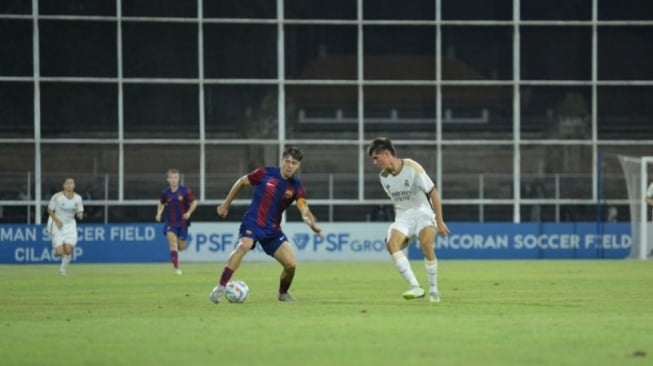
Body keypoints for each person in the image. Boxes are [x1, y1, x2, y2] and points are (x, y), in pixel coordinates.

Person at [209, 146, 322, 304]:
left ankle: (283, 293)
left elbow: (304, 207)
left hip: (272, 230)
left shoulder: (296, 186)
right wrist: (226, 204)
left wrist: (310, 221)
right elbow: (242, 182)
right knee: (244, 245)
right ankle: (220, 287)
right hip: (253, 222)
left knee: (290, 265)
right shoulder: (264, 173)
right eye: (287, 161)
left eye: (294, 163)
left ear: (298, 165)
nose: (290, 165)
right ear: (281, 161)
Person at [367, 137, 449, 303]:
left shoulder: (412, 167)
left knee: (426, 245)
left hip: (423, 213)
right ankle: (415, 287)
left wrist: (439, 221)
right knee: (391, 244)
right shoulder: (383, 177)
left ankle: (433, 290)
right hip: (404, 217)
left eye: (376, 158)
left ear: (386, 154)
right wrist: (403, 232)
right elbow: (398, 203)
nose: (374, 162)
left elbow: (433, 193)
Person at [155, 169, 197, 275]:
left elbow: (194, 202)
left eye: (175, 177)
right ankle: (176, 268)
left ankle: (180, 245)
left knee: (181, 247)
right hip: (170, 222)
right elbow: (161, 203)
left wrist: (189, 213)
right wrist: (159, 213)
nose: (173, 180)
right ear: (168, 179)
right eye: (171, 177)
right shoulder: (165, 193)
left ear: (178, 179)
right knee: (172, 242)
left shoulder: (184, 191)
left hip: (183, 223)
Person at [47, 178, 84, 276]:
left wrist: (80, 214)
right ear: (64, 186)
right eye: (67, 183)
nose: (69, 184)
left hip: (70, 225)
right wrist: (57, 220)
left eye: (71, 183)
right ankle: (56, 245)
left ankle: (62, 269)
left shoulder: (78, 198)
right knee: (59, 252)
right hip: (58, 224)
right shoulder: (57, 197)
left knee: (68, 249)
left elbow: (79, 210)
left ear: (74, 185)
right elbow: (50, 210)